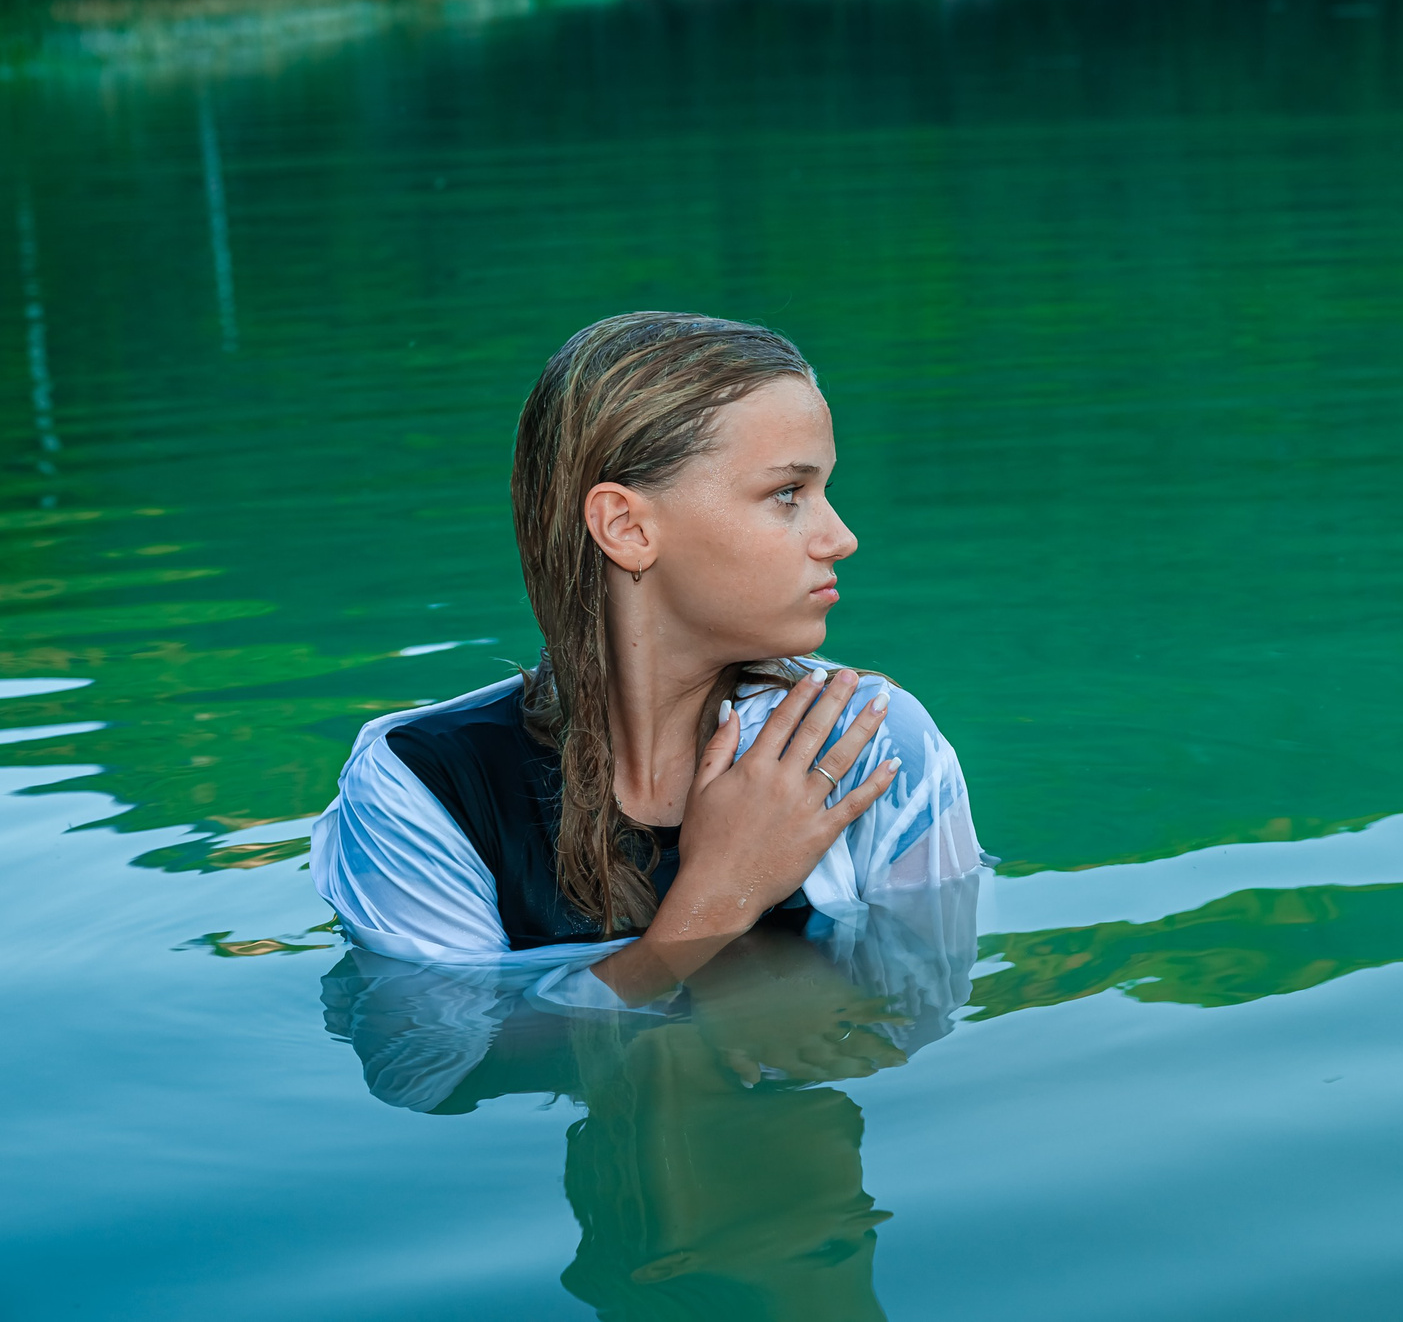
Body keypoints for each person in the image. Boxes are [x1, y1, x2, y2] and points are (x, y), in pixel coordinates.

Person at [311, 311, 986, 1011]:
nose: (840, 537)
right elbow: (443, 1059)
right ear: (627, 528)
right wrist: (717, 902)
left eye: (824, 491)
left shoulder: (870, 745)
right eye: (788, 493)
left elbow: (919, 1024)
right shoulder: (423, 788)